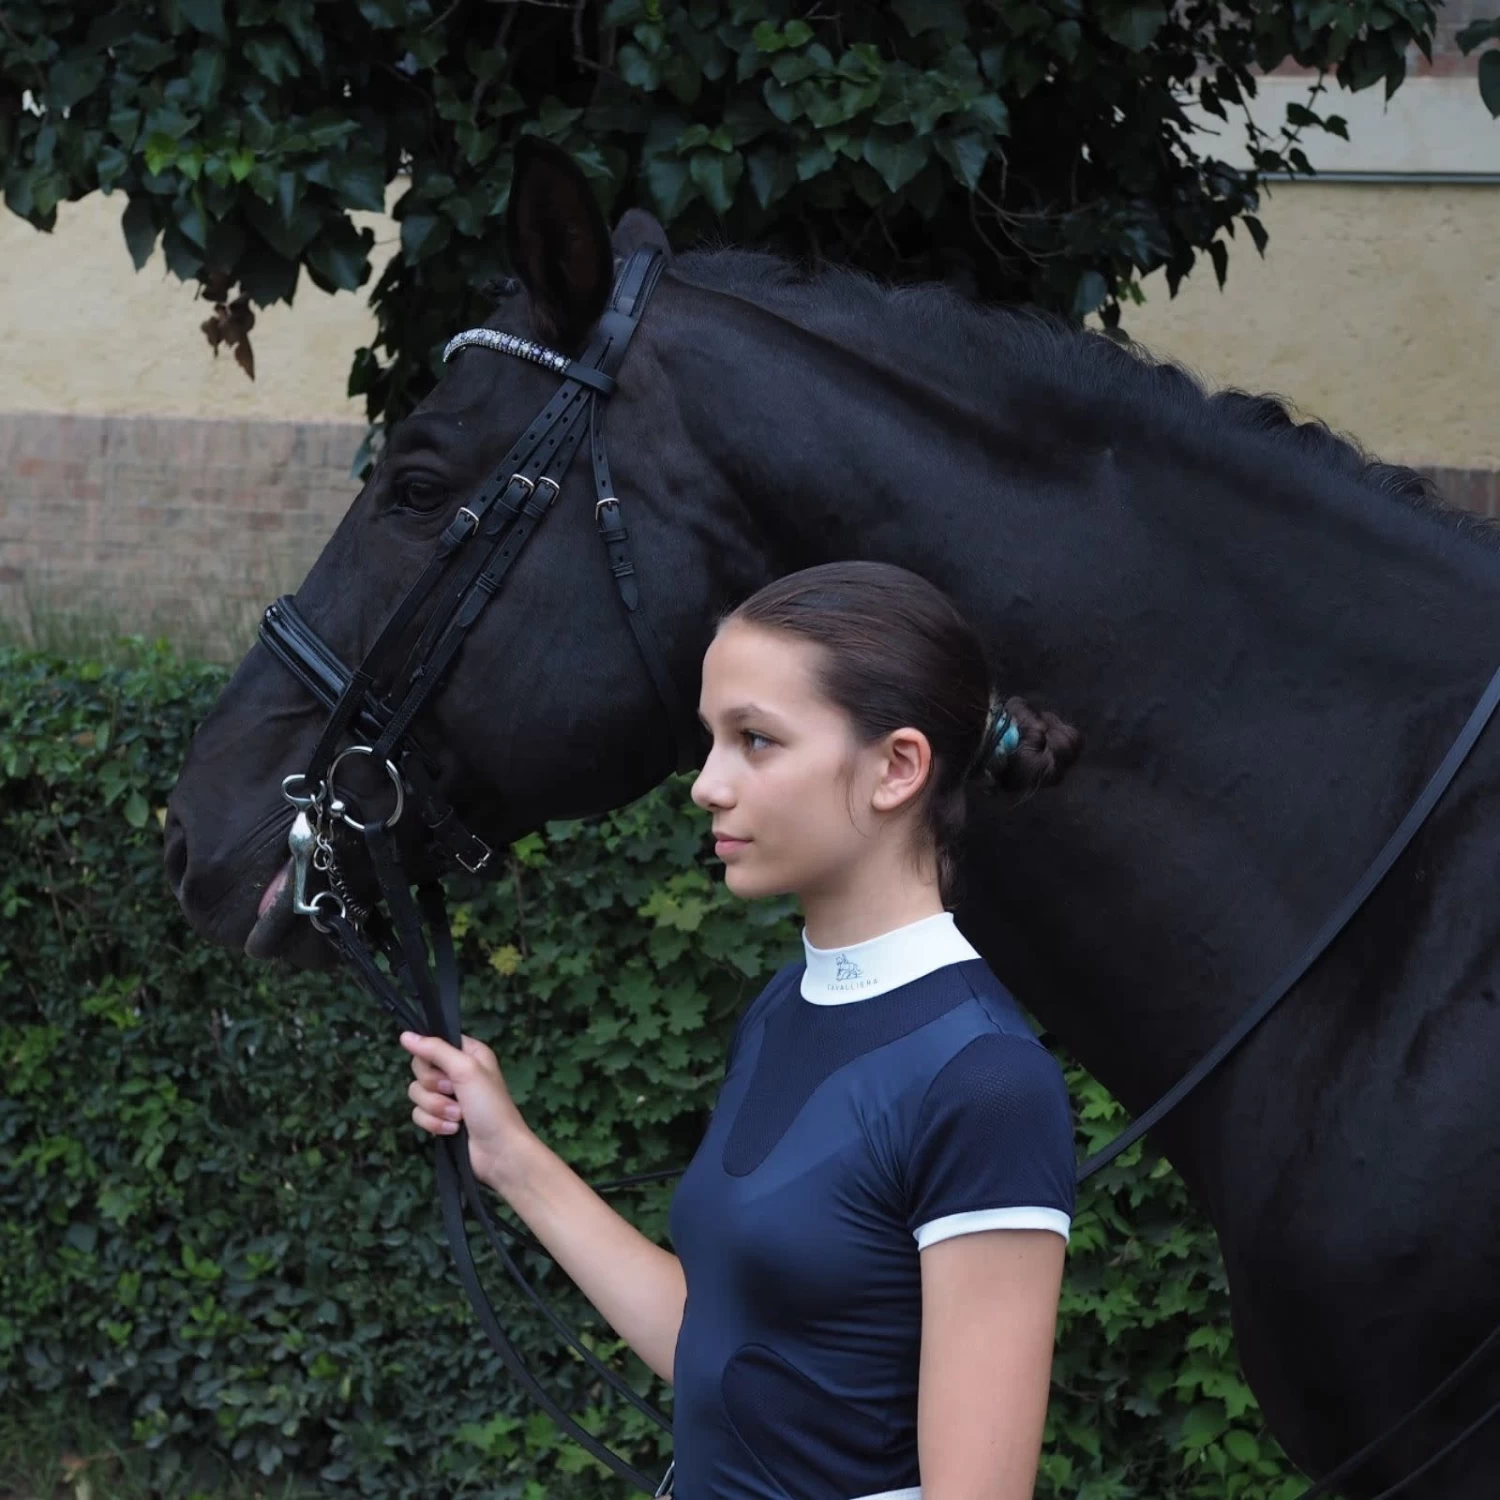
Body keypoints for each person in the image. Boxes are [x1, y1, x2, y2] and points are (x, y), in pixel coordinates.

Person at [400, 560, 1081, 1500]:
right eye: (711, 740)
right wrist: (510, 1152)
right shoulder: (781, 1009)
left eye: (755, 740)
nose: (707, 786)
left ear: (898, 768)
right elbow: (726, 1345)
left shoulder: (983, 1080)